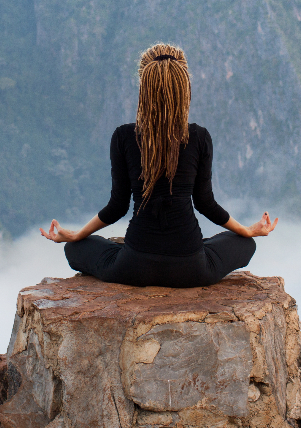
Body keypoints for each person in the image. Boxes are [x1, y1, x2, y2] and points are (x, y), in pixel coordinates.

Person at [40, 43, 278, 288]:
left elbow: (117, 207)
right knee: (245, 244)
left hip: (133, 266)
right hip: (192, 269)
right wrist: (247, 231)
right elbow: (205, 203)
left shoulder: (124, 137)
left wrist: (78, 234)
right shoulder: (198, 137)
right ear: (184, 86)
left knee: (74, 248)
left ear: (144, 86)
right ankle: (201, 248)